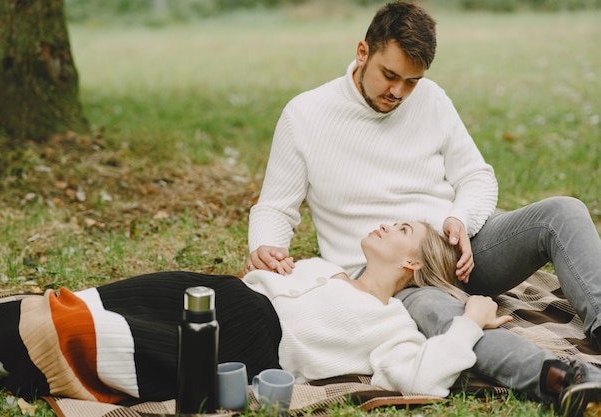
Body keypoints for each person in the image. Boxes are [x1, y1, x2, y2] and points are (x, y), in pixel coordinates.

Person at [246, 1, 601, 413]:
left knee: (563, 212)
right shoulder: (305, 115)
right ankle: (568, 382)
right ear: (363, 52)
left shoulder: (430, 99)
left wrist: (458, 220)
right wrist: (267, 244)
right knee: (448, 322)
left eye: (411, 81)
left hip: (461, 245)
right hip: (394, 277)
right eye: (390, 75)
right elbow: (274, 207)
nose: (398, 92)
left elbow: (477, 177)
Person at [0, 222, 505, 405]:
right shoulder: (323, 264)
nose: (389, 225)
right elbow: (264, 280)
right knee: (78, 301)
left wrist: (469, 323)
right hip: (216, 292)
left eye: (403, 230)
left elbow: (422, 378)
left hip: (241, 343)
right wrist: (268, 264)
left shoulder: (392, 324)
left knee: (80, 332)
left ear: (411, 262)